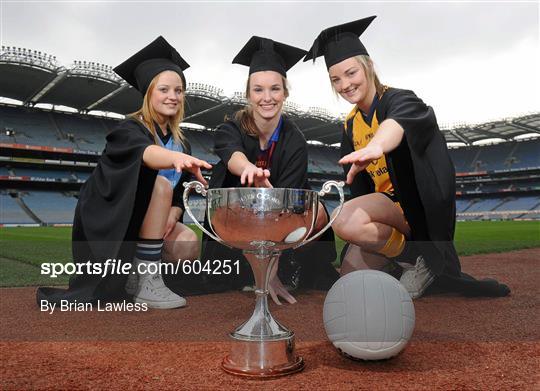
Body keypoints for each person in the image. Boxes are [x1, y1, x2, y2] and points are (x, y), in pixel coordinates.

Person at [304, 16, 510, 298]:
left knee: (344, 220)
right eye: (336, 79)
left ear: (368, 66)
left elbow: (397, 124)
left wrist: (378, 145)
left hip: (414, 210)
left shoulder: (399, 99)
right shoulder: (350, 124)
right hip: (385, 215)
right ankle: (406, 259)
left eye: (351, 73)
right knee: (350, 281)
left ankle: (420, 260)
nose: (345, 84)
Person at [36, 36, 212, 309]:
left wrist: (174, 212)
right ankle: (145, 281)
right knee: (161, 184)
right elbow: (148, 155)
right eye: (164, 89)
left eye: (178, 90)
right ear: (149, 94)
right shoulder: (129, 129)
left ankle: (143, 275)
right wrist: (175, 158)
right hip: (114, 221)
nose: (172, 96)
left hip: (154, 219)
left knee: (187, 242)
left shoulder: (182, 141)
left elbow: (179, 192)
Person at [200, 36, 339, 304]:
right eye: (258, 90)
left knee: (318, 211)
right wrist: (249, 169)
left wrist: (271, 268)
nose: (267, 98)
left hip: (278, 218)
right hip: (237, 219)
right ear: (248, 94)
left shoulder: (295, 139)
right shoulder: (231, 127)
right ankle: (251, 271)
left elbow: (287, 206)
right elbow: (232, 155)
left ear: (285, 93)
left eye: (275, 89)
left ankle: (285, 266)